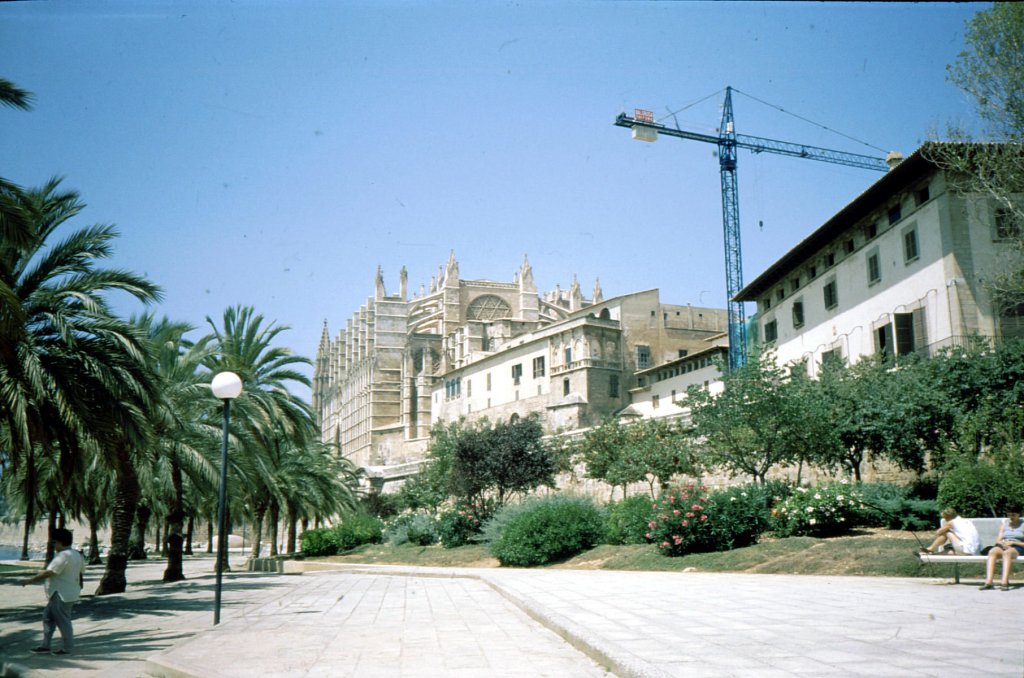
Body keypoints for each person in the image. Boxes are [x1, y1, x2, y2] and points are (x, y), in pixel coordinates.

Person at [20, 528, 85, 655]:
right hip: (67, 592)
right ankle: (45, 646)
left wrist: (30, 580)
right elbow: (81, 573)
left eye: (54, 542)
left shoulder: (63, 556)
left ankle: (68, 648)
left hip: (60, 594)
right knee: (48, 618)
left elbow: (50, 572)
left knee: (63, 621)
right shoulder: (77, 554)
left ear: (60, 542)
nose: (54, 545)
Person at [980, 506, 1024, 591]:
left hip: (1018, 546)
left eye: (1013, 515)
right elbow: (998, 540)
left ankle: (1004, 582)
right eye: (1009, 515)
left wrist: (1013, 543)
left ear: (1018, 514)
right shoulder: (1005, 525)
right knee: (992, 551)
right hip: (1004, 545)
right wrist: (1002, 543)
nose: (1011, 517)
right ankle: (988, 582)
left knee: (1007, 553)